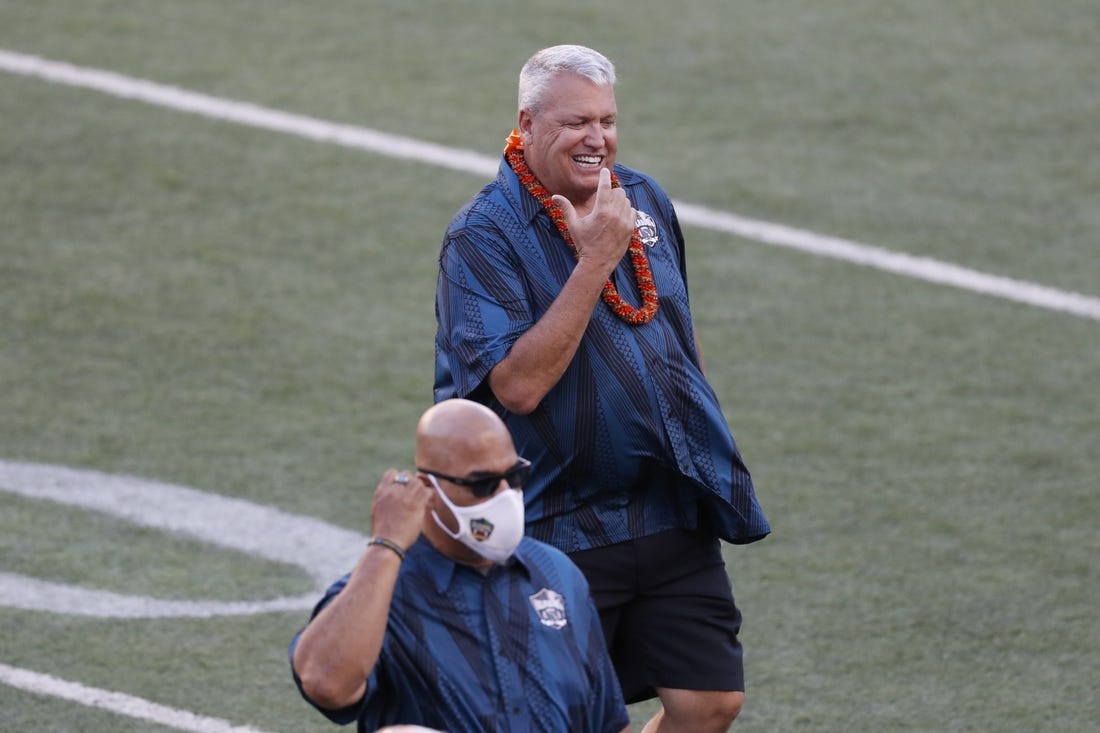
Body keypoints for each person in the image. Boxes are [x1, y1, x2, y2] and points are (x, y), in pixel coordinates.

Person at [433, 45, 771, 732]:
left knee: (710, 702)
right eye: (576, 122)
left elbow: (676, 328)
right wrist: (594, 261)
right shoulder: (481, 236)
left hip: (666, 504)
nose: (598, 139)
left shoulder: (642, 199)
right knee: (567, 718)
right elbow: (519, 387)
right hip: (557, 520)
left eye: (607, 120)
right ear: (526, 124)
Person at [289, 398, 631, 733]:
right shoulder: (383, 593)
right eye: (482, 484)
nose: (504, 495)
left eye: (514, 477)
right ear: (428, 489)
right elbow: (325, 683)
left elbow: (608, 722)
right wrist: (385, 545)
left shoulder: (557, 573)